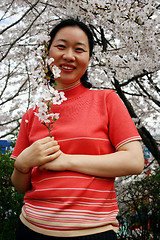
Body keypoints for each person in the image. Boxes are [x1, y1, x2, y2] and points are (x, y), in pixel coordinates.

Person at [11, 18, 144, 240]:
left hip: (93, 232)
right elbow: (20, 186)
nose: (69, 56)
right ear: (47, 52)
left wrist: (67, 160)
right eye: (61, 46)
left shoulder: (106, 100)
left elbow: (134, 161)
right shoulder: (33, 114)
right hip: (31, 229)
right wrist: (22, 165)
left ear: (89, 58)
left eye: (79, 49)